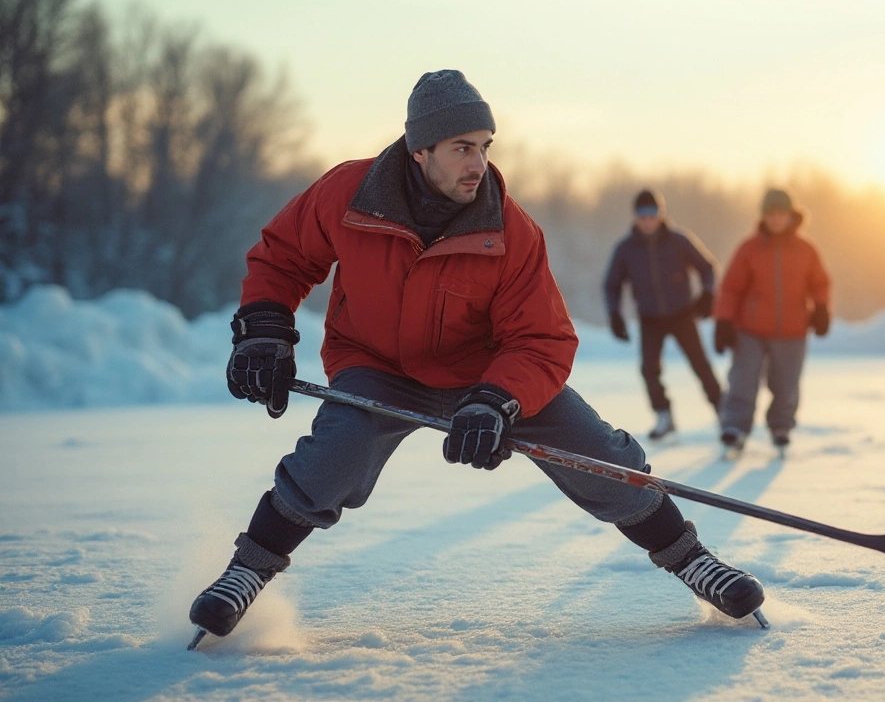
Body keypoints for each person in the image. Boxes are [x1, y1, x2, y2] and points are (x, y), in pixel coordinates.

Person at [187, 70, 765, 645]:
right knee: (337, 454)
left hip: (489, 378)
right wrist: (263, 331)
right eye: (462, 148)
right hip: (377, 366)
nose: (477, 164)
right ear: (421, 150)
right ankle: (246, 570)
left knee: (598, 453)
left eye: (484, 147)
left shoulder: (511, 230)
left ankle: (693, 561)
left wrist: (497, 400)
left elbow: (542, 339)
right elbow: (282, 258)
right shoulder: (347, 194)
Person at [713, 188, 832, 459]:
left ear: (791, 215)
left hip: (792, 330)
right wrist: (724, 321)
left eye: (781, 214)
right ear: (764, 216)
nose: (776, 219)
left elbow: (820, 283)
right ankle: (734, 427)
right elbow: (731, 287)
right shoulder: (749, 248)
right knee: (743, 380)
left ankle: (781, 427)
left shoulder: (806, 249)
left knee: (786, 383)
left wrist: (822, 307)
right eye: (770, 214)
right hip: (750, 330)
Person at [603, 190, 722, 440]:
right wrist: (615, 314)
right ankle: (664, 416)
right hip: (650, 318)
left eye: (652, 214)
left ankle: (724, 412)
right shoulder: (627, 248)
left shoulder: (679, 241)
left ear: (661, 214)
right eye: (642, 216)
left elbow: (707, 267)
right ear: (636, 218)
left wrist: (708, 294)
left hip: (682, 314)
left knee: (700, 364)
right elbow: (612, 284)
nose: (648, 221)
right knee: (649, 369)